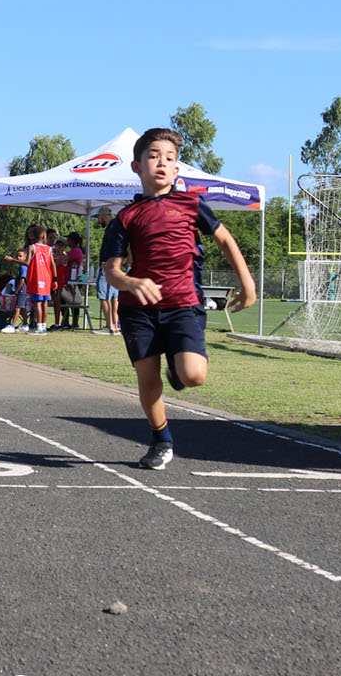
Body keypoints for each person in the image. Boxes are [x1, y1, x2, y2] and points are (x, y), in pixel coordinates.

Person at [101, 127, 256, 471]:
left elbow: (226, 240)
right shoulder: (125, 218)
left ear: (177, 169)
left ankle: (178, 365)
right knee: (147, 378)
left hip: (183, 304)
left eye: (169, 158)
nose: (161, 162)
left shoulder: (191, 203)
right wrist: (129, 281)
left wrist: (247, 283)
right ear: (136, 167)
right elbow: (111, 271)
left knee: (193, 375)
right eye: (153, 156)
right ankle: (161, 439)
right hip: (138, 312)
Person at [93, 206, 121, 335]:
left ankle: (110, 326)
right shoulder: (115, 226)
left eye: (98, 218)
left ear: (103, 216)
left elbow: (113, 246)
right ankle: (114, 326)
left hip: (107, 267)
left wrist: (107, 261)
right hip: (116, 267)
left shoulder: (111, 229)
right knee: (114, 298)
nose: (98, 220)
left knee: (104, 297)